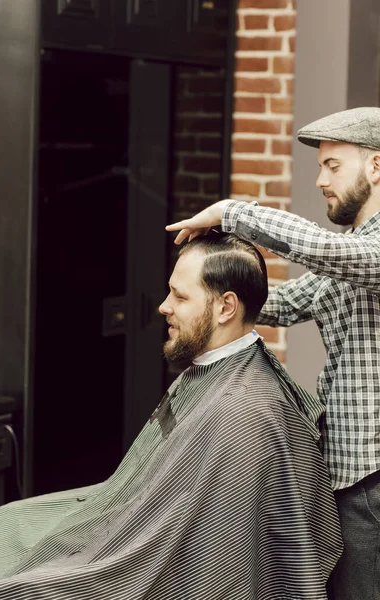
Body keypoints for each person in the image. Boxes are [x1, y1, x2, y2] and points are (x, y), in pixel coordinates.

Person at [0, 233, 342, 600]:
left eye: (181, 296)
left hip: (129, 548)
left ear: (226, 307)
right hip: (114, 518)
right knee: (4, 526)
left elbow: (216, 563)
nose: (163, 307)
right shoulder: (211, 372)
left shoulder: (243, 413)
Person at [166, 106, 380, 600]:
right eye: (320, 166)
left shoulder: (358, 253)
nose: (320, 179)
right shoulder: (349, 255)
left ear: (374, 167)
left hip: (373, 481)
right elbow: (277, 304)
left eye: (333, 166)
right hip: (348, 477)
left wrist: (233, 213)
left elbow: (330, 253)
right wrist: (206, 299)